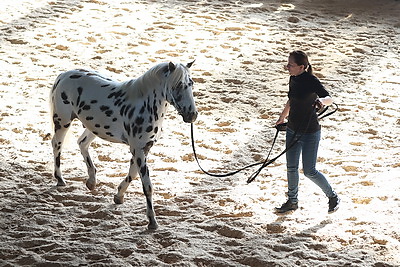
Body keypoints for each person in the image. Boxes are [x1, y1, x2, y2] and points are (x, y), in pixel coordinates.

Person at [275, 50, 340, 214]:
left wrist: (320, 101)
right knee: (291, 167)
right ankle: (292, 201)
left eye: (290, 64)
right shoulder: (293, 78)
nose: (287, 67)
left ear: (301, 67)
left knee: (309, 171)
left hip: (310, 132)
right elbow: (291, 100)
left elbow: (329, 98)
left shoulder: (311, 80)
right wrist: (282, 117)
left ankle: (332, 196)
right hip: (292, 129)